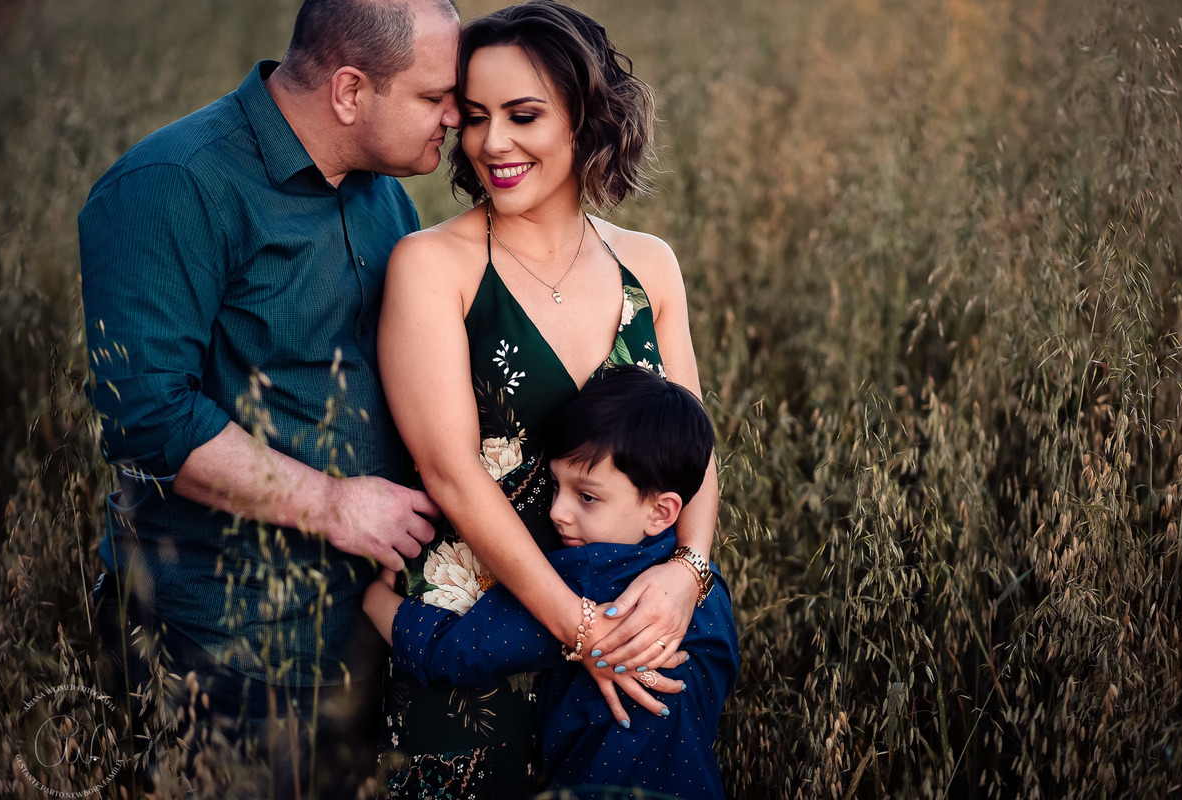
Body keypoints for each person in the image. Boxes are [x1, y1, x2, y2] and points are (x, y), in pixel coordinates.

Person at [78, 0, 460, 793]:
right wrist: (334, 504)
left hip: (365, 625)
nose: (456, 117)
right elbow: (150, 419)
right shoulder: (173, 184)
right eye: (435, 96)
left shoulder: (382, 192)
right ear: (349, 92)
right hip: (221, 642)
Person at [375, 1, 720, 795]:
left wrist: (688, 574)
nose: (493, 142)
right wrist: (580, 629)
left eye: (523, 115)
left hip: (630, 649)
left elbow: (693, 448)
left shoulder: (649, 267)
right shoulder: (433, 266)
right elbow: (450, 471)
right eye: (475, 117)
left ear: (584, 119)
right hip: (475, 646)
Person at [364, 366, 739, 799]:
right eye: (555, 485)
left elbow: (453, 652)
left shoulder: (590, 579)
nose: (558, 511)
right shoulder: (708, 592)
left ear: (661, 511)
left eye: (587, 496)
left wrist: (375, 599)